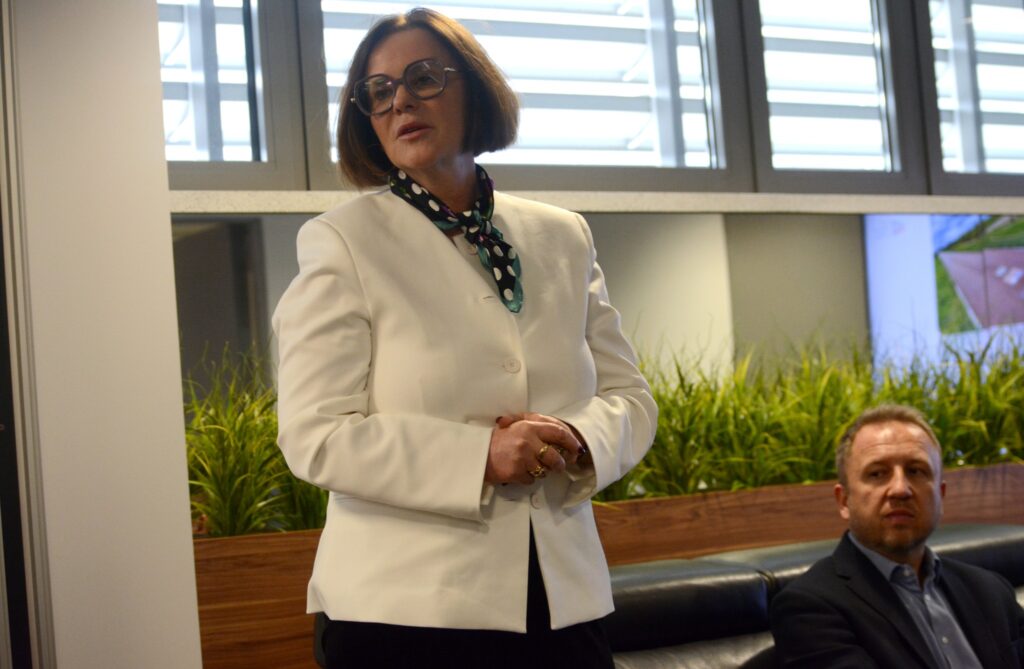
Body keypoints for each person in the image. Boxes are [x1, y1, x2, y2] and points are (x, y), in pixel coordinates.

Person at [272, 8, 657, 668]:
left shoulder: (562, 235)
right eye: (379, 91)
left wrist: (577, 435)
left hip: (563, 600)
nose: (401, 102)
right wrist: (482, 455)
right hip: (403, 614)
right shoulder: (342, 241)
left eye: (423, 78)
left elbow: (630, 399)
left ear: (475, 88)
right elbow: (316, 434)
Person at [769, 404, 1024, 668]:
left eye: (916, 471)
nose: (900, 489)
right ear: (844, 500)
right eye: (877, 473)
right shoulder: (809, 608)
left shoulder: (990, 590)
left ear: (941, 495)